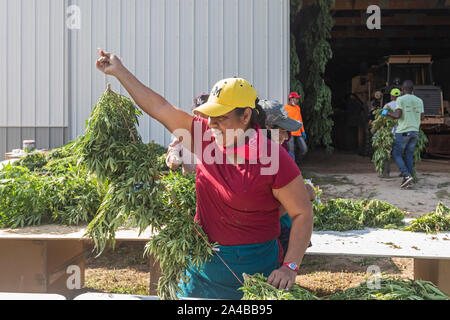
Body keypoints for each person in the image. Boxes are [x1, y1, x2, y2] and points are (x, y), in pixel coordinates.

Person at [96, 49, 314, 299]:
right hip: (203, 267)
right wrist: (119, 71)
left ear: (245, 116)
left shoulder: (274, 159)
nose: (211, 124)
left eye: (221, 118)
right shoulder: (203, 138)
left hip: (255, 272)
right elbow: (159, 106)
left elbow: (302, 213)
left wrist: (290, 267)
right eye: (210, 116)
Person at [259, 99, 316, 256]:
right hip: (277, 233)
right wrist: (302, 196)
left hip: (286, 228)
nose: (286, 137)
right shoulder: (263, 163)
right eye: (283, 131)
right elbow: (266, 216)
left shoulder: (276, 157)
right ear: (268, 128)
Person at [382, 80, 424, 189]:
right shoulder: (419, 100)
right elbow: (422, 117)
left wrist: (387, 113)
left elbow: (397, 115)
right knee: (409, 155)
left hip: (403, 131)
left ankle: (406, 175)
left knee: (396, 154)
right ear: (412, 89)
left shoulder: (400, 99)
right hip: (415, 131)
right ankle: (409, 180)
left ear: (403, 90)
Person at [165, 93, 209, 174]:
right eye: (198, 112)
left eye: (205, 112)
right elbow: (174, 148)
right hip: (190, 180)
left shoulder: (220, 131)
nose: (201, 116)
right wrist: (173, 158)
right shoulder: (185, 129)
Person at [379, 88, 402, 178]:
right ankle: (403, 172)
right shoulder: (403, 105)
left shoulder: (387, 106)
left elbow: (382, 116)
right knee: (400, 153)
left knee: (387, 152)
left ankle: (386, 173)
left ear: (392, 96)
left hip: (389, 133)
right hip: (401, 132)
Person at [284, 92, 308, 165]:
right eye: (296, 98)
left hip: (298, 133)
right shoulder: (285, 108)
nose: (297, 100)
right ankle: (293, 166)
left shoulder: (298, 108)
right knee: (291, 151)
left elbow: (300, 120)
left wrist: (303, 131)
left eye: (297, 99)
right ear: (291, 99)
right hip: (290, 133)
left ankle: (297, 163)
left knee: (304, 149)